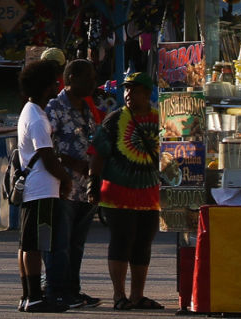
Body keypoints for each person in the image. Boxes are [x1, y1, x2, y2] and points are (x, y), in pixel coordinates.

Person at [90, 71, 162, 310]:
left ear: (147, 93)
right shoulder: (114, 120)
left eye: (135, 89)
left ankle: (137, 296)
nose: (129, 94)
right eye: (126, 89)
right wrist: (94, 185)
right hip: (117, 193)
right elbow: (98, 154)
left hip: (149, 194)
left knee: (143, 244)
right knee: (122, 241)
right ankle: (119, 295)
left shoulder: (161, 120)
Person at [46, 59, 106, 309]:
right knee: (60, 242)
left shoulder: (88, 108)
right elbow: (44, 148)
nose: (94, 83)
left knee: (76, 244)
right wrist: (72, 163)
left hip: (85, 187)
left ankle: (73, 291)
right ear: (71, 78)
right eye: (88, 78)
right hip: (63, 186)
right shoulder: (54, 108)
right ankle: (56, 291)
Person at [16, 58, 72, 313]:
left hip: (34, 188)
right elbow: (48, 158)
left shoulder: (29, 112)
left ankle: (28, 295)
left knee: (27, 244)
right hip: (42, 189)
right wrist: (66, 178)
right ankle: (35, 297)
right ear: (45, 86)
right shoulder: (38, 118)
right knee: (36, 245)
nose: (55, 87)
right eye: (52, 83)